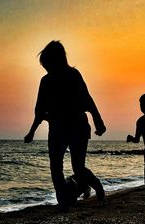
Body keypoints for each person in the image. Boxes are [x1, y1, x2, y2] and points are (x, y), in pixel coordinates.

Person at [24, 40, 106, 211]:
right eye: (45, 66)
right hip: (57, 129)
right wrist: (31, 131)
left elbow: (87, 100)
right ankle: (63, 199)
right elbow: (39, 110)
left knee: (78, 166)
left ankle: (95, 184)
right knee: (55, 165)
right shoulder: (45, 81)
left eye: (48, 64)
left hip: (78, 126)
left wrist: (98, 120)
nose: (47, 69)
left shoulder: (73, 75)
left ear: (58, 60)